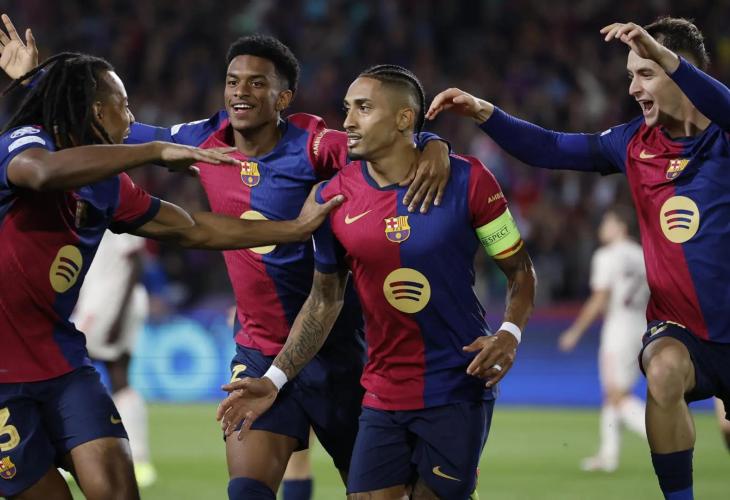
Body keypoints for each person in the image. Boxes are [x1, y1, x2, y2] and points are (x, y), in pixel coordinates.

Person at [3, 17, 452, 499]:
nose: (241, 91)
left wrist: (432, 144)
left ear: (283, 98)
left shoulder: (314, 145)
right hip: (258, 351)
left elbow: (381, 141)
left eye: (257, 83)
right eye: (233, 81)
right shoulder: (198, 141)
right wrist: (37, 82)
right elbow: (74, 142)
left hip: (334, 349)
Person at [427, 17, 730, 500]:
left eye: (646, 73)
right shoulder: (632, 143)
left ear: (682, 71)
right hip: (681, 328)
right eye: (630, 75)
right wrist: (486, 113)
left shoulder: (723, 137)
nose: (633, 88)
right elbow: (550, 148)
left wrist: (666, 57)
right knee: (663, 370)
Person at [217, 64, 536, 500]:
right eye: (347, 108)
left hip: (456, 385)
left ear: (404, 118)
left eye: (363, 108)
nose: (348, 121)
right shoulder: (331, 198)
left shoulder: (470, 180)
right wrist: (274, 379)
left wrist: (509, 333)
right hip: (381, 392)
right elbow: (324, 300)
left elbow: (520, 271)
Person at [558, 207, 649, 472]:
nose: (602, 227)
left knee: (616, 395)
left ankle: (664, 437)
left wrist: (575, 331)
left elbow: (600, 298)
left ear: (621, 226)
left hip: (618, 329)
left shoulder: (607, 255)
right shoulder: (642, 254)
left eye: (607, 223)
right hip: (641, 327)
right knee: (615, 394)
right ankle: (608, 455)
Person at [72, 231, 156, 488]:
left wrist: (117, 316)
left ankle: (74, 455)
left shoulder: (110, 213)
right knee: (118, 378)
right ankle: (138, 459)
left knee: (71, 374)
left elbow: (136, 261)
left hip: (107, 304)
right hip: (109, 302)